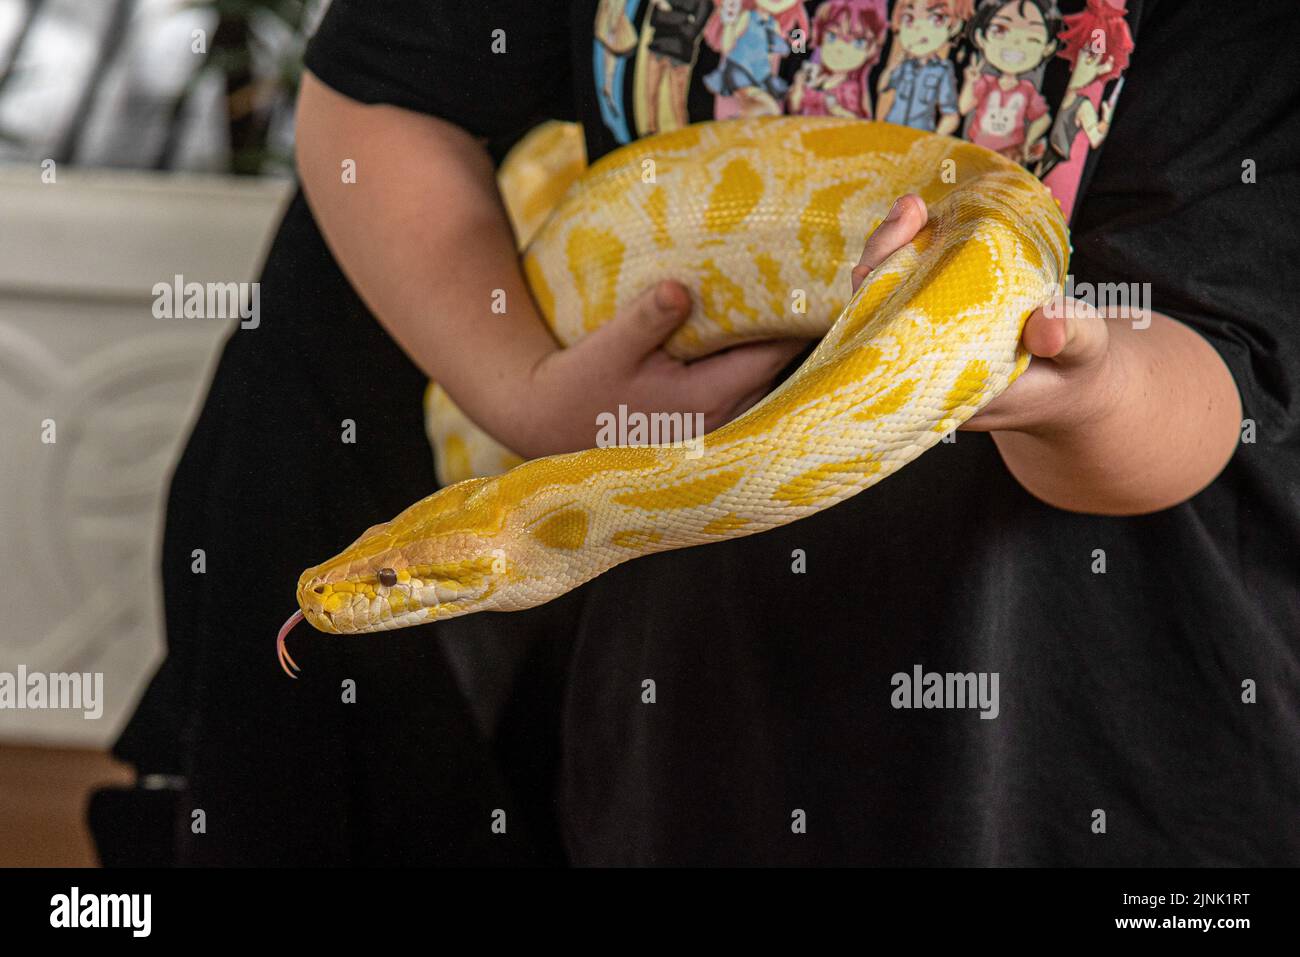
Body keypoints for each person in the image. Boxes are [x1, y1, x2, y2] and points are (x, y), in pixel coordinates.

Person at [108, 0, 1300, 866]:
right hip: (683, 737)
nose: (351, 592)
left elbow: (1219, 381)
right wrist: (523, 390)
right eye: (393, 575)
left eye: (392, 579)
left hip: (1093, 745)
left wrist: (1072, 389)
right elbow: (376, 99)